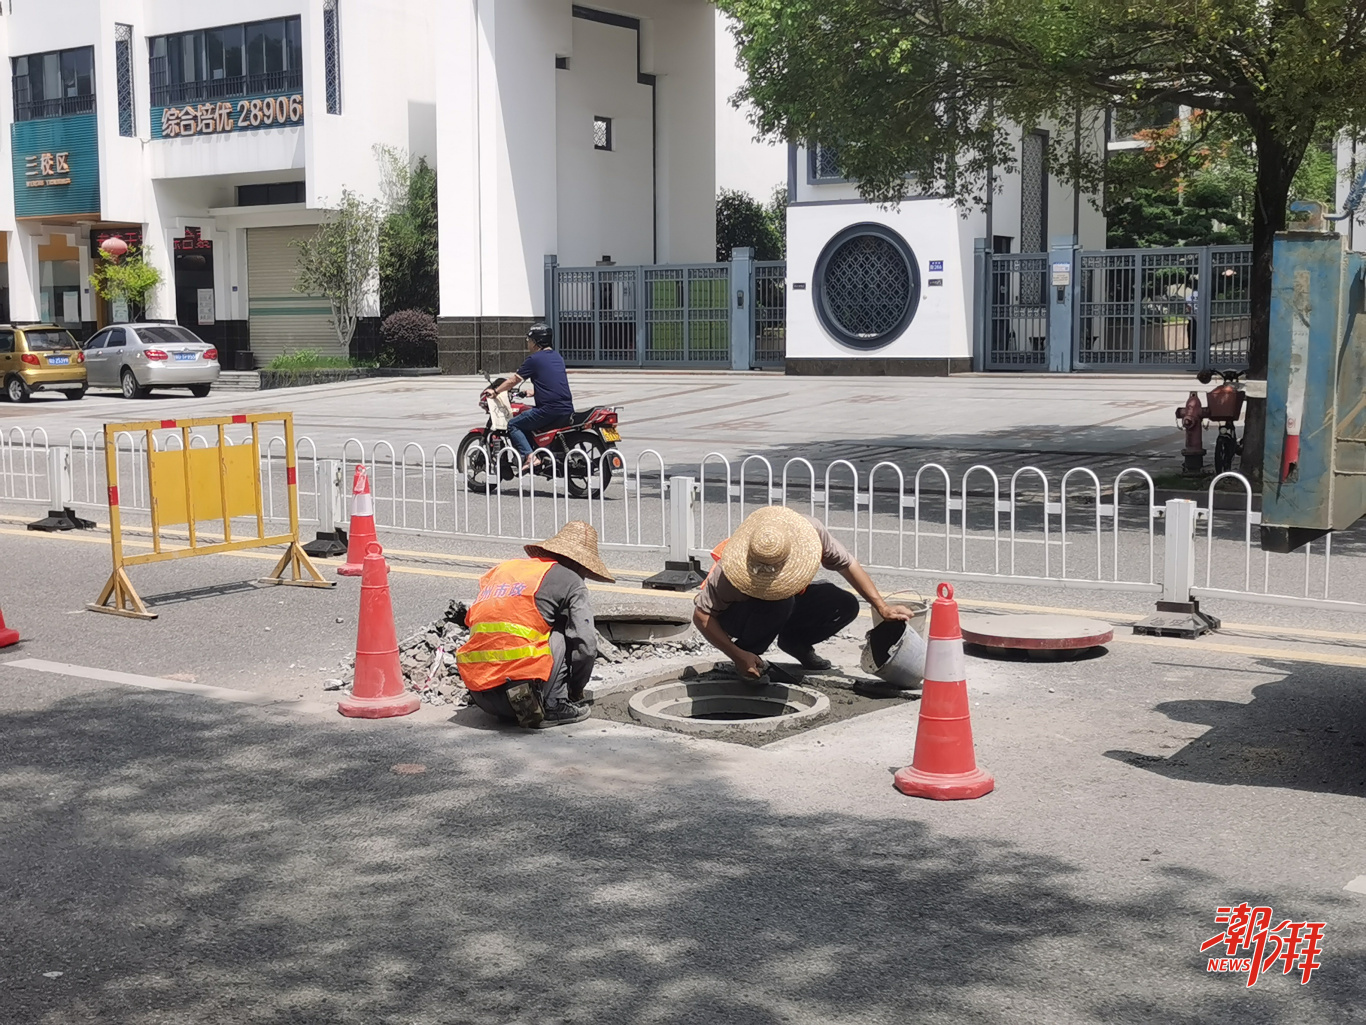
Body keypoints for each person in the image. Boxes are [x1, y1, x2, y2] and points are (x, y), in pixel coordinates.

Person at [692, 505, 912, 682]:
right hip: (739, 615)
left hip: (786, 601)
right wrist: (737, 655)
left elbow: (848, 564)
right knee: (781, 603)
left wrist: (881, 607)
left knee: (844, 603)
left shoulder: (809, 532)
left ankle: (795, 643)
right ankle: (748, 658)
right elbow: (702, 616)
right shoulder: (729, 572)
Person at [455, 521, 614, 728]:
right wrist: (575, 691)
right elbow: (586, 645)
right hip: (521, 699)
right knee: (564, 629)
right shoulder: (571, 580)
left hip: (480, 692)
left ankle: (513, 705)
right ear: (579, 564)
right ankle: (554, 705)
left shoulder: (505, 569)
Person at [481, 323, 575, 472]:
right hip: (566, 409)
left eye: (529, 340)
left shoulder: (534, 359)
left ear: (536, 342)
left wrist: (496, 391)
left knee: (513, 425)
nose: (527, 343)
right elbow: (553, 382)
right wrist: (535, 392)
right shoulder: (557, 357)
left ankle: (531, 457)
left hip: (548, 410)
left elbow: (514, 380)